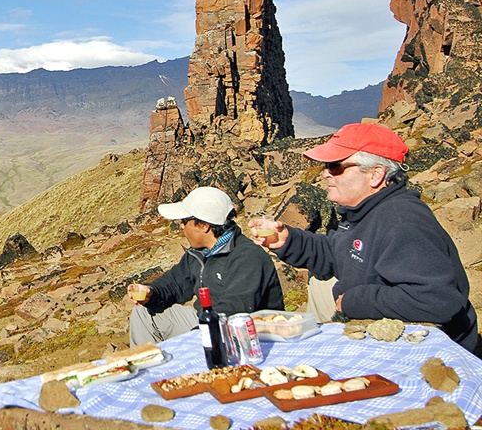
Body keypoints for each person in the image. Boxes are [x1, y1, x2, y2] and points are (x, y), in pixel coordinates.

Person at [248, 122, 482, 358]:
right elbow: (336, 253)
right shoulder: (363, 212)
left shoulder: (402, 222)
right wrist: (287, 240)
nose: (325, 173)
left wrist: (354, 300)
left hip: (434, 355)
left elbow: (437, 300)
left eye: (336, 166)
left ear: (376, 174)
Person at [128, 186, 284, 346]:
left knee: (204, 337)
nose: (181, 226)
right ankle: (146, 367)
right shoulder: (198, 253)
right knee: (143, 313)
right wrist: (151, 293)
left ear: (204, 225)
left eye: (184, 221)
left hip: (249, 334)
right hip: (208, 321)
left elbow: (234, 309)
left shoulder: (248, 257)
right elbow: (175, 283)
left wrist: (193, 338)